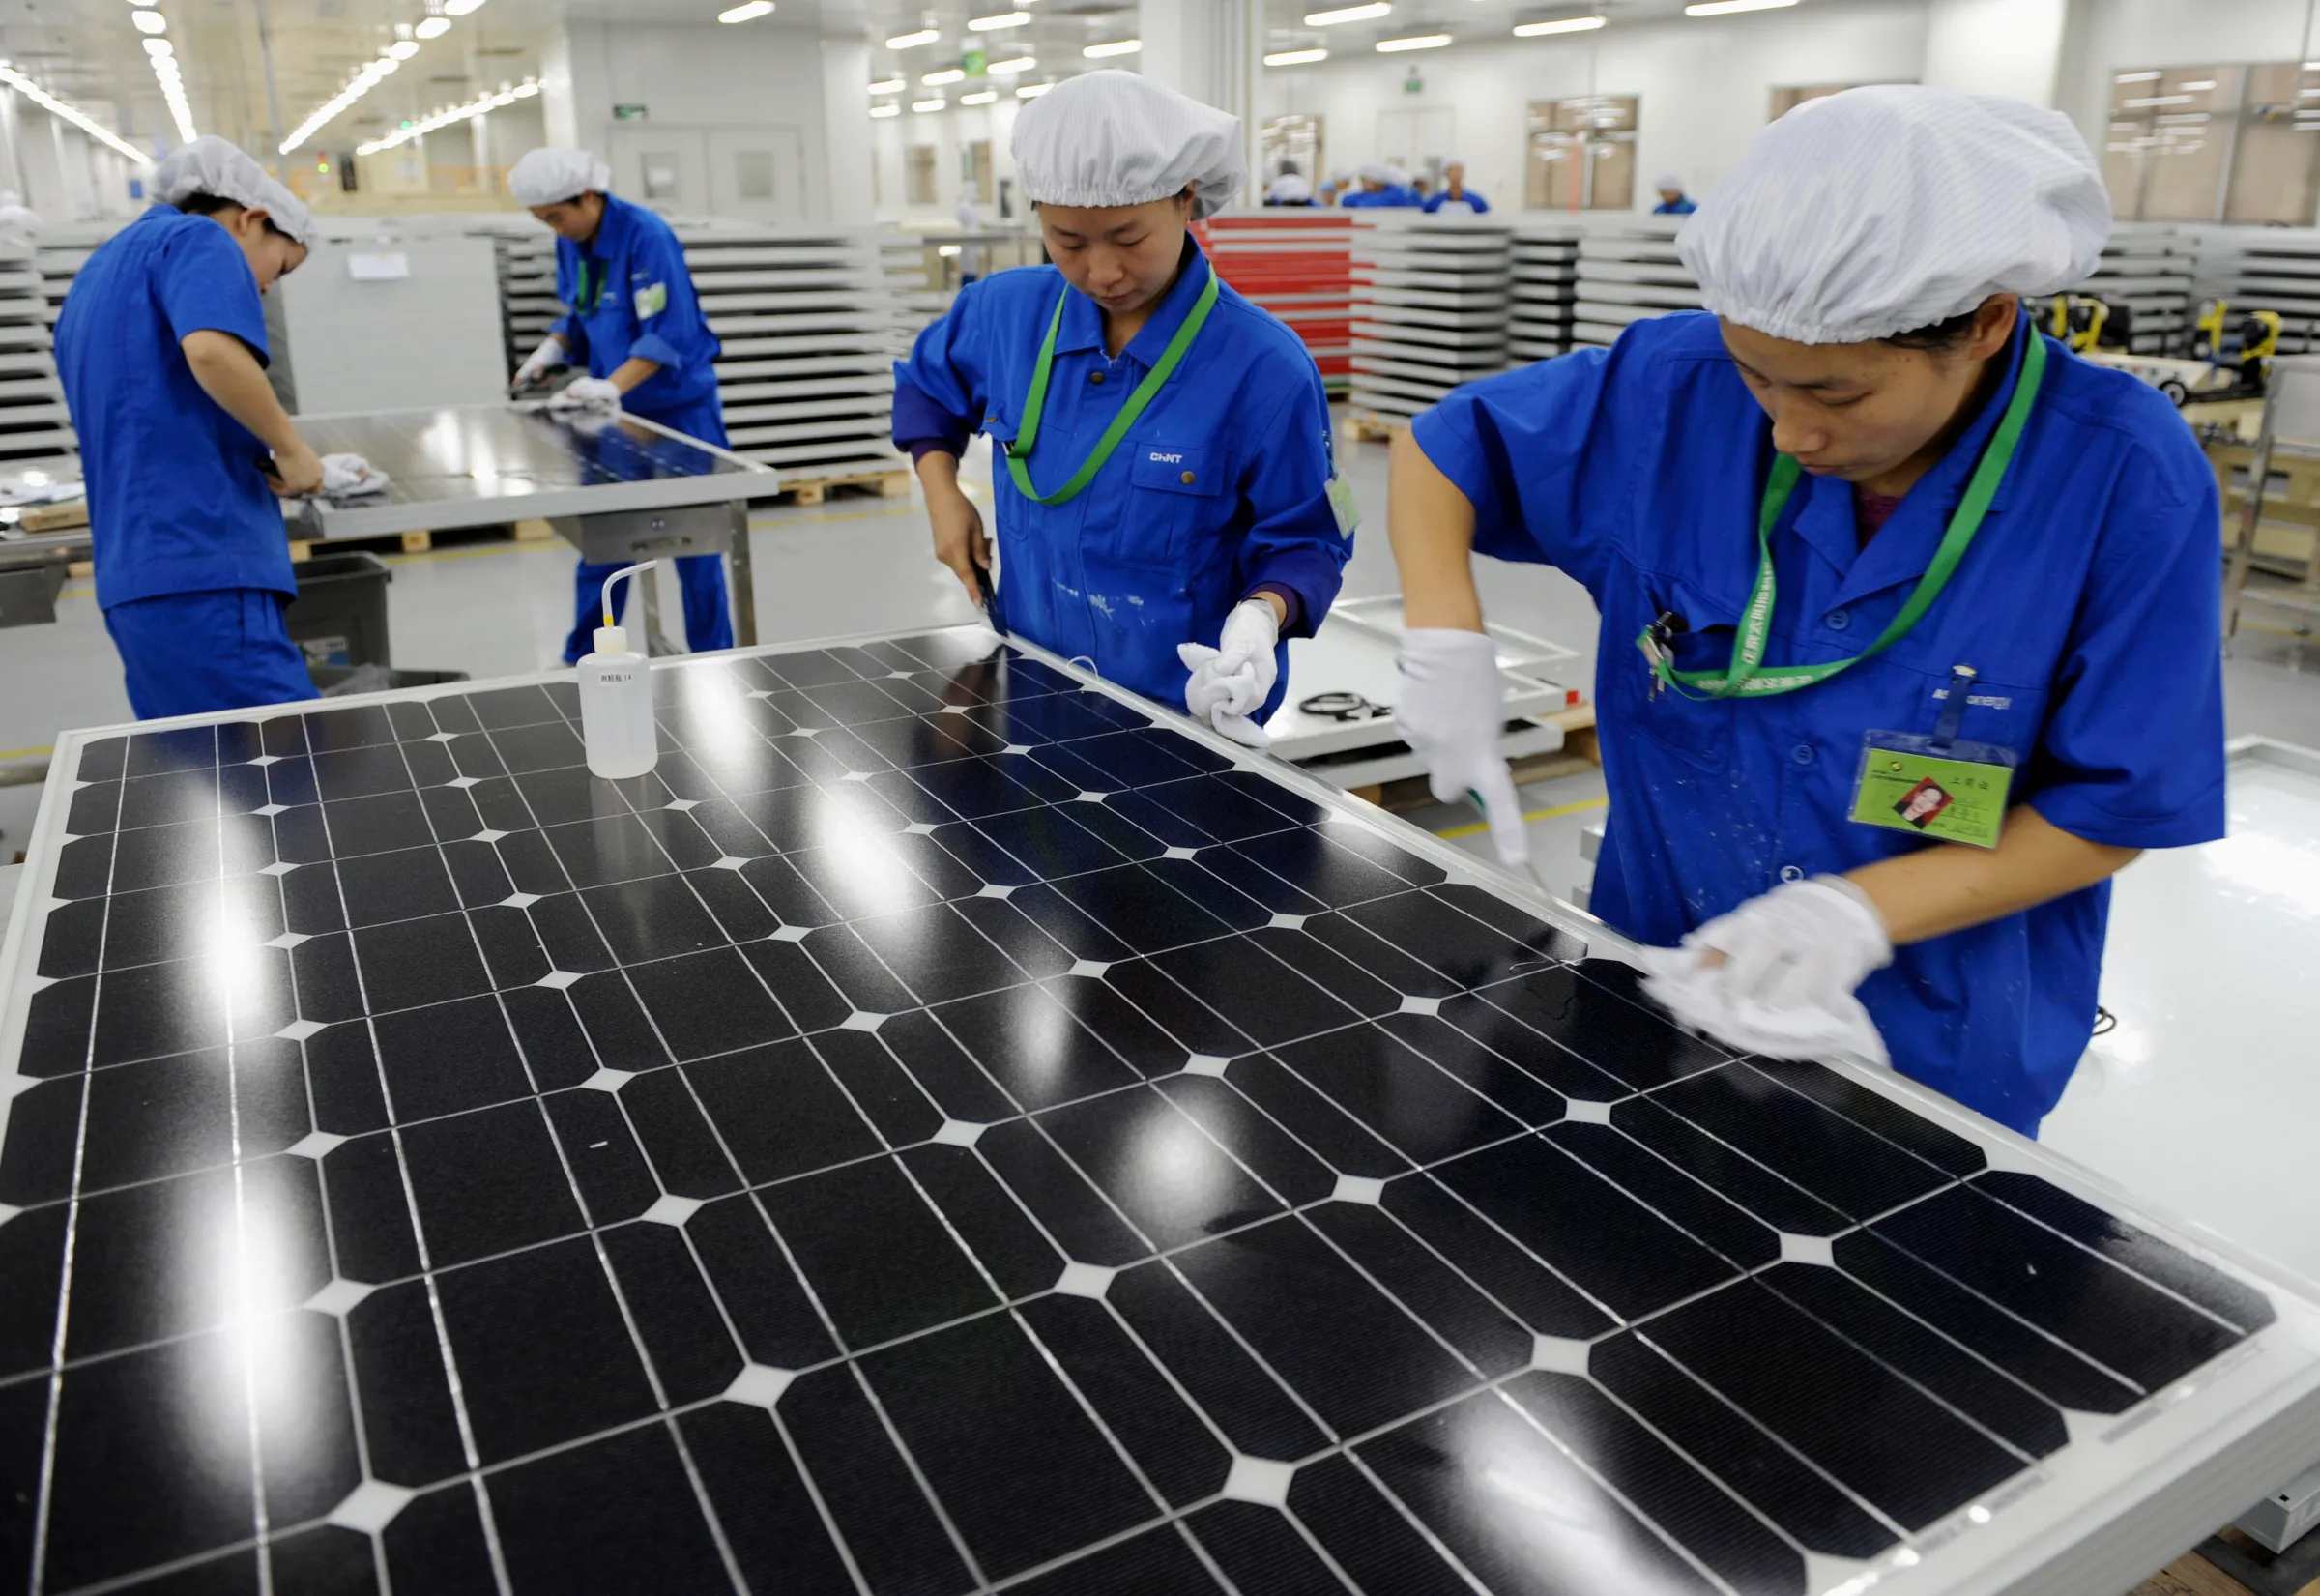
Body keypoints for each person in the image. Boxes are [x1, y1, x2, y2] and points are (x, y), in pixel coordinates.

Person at [1384, 86, 2222, 1139]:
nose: (1786, 431)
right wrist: (1444, 629)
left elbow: (2114, 809)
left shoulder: (2124, 478)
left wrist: (1860, 912)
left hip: (1926, 1033)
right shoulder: (1672, 385)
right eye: (1758, 379)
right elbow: (1440, 451)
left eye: (1837, 396)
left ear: (1987, 323)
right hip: (1663, 971)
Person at [892, 71, 1353, 745]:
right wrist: (941, 492)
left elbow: (1313, 536)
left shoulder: (1265, 368)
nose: (1102, 272)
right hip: (1035, 697)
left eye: (1128, 237)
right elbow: (927, 385)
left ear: (1186, 197)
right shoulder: (1006, 314)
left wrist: (1262, 615)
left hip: (1185, 724)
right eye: (1068, 242)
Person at [54, 136, 331, 719]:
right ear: (251, 220)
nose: (263, 289)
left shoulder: (99, 271)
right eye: (278, 269)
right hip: (204, 557)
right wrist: (291, 449)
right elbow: (209, 351)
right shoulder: (202, 238)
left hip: (136, 574)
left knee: (205, 781)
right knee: (284, 773)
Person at [507, 147, 736, 662]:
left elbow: (669, 331)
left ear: (588, 197)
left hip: (680, 411)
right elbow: (580, 312)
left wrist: (611, 385)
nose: (554, 228)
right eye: (543, 220)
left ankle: (714, 658)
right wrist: (553, 349)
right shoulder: (573, 240)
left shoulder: (647, 237)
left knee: (694, 546)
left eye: (557, 217)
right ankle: (583, 658)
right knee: (603, 542)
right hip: (617, 417)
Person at [1423, 158, 1489, 216]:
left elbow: (1486, 220)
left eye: (1459, 171)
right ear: (1446, 173)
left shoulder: (1476, 201)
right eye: (1453, 171)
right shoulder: (1435, 200)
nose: (1457, 174)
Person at [1342, 162, 1417, 209]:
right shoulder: (1371, 193)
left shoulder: (1396, 194)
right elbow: (1347, 201)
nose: (1362, 184)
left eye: (1364, 180)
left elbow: (1368, 206)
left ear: (1376, 180)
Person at [954, 185, 987, 285]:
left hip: (973, 241)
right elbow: (959, 222)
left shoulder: (972, 207)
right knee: (967, 268)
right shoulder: (963, 206)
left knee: (972, 267)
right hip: (967, 240)